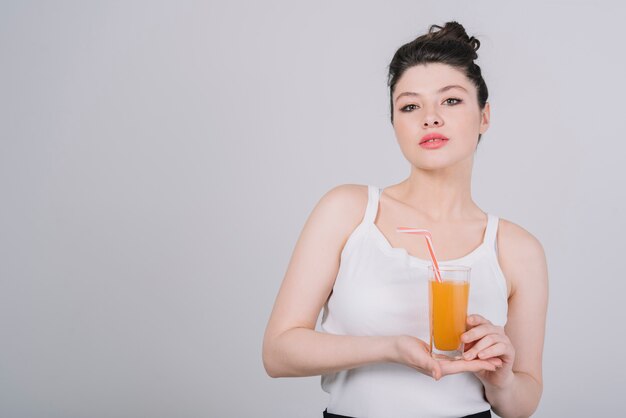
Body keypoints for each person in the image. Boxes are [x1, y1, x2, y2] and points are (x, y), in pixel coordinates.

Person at [262, 21, 548, 418]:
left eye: (450, 101)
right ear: (395, 123)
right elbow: (278, 353)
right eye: (410, 106)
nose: (430, 118)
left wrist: (501, 380)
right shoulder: (348, 211)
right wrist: (391, 348)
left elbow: (523, 402)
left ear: (484, 117)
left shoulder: (518, 249)